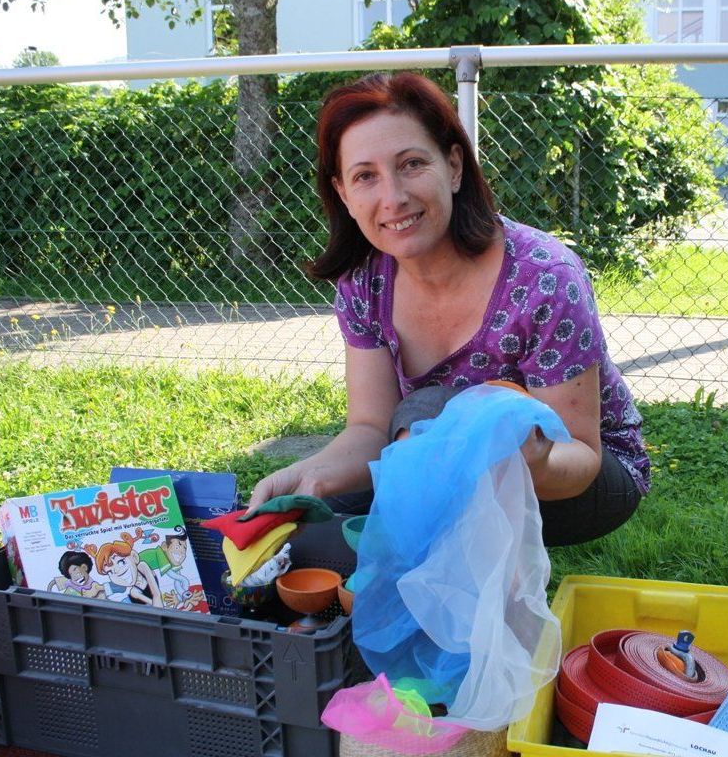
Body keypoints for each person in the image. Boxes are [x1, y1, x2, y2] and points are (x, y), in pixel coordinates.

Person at [250, 72, 650, 546]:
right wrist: (311, 475)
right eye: (365, 176)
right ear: (343, 193)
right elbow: (371, 428)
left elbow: (580, 456)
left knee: (432, 411)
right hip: (440, 461)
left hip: (577, 481)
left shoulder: (545, 277)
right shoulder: (363, 282)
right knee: (322, 519)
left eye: (412, 164)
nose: (393, 197)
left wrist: (531, 456)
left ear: (454, 166)